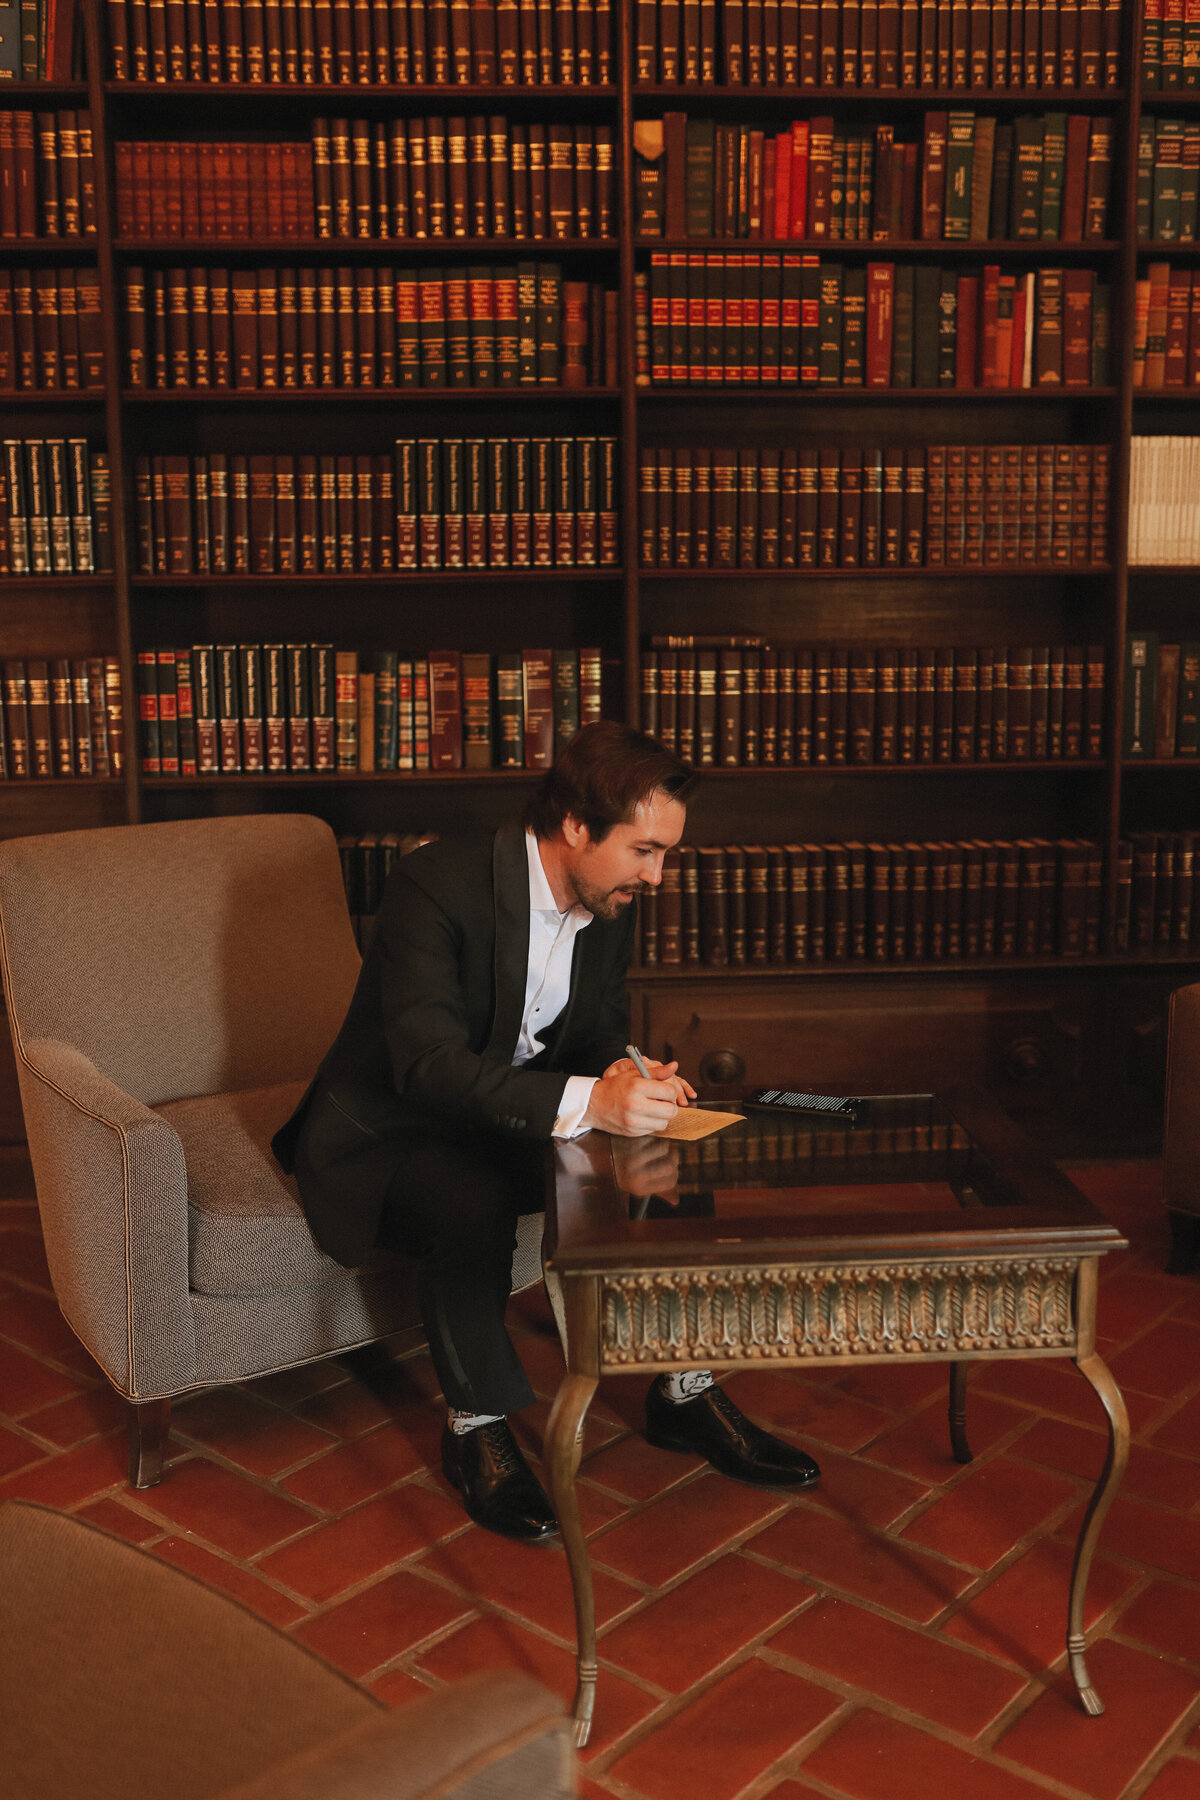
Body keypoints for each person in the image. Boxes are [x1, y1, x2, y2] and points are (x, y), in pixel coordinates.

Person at [273, 720, 819, 1542]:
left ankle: (684, 1391)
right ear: (575, 827)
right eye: (644, 850)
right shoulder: (436, 883)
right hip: (394, 1130)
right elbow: (426, 1065)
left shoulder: (610, 898)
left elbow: (596, 1033)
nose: (658, 874)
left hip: (513, 1112)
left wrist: (632, 1075)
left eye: (665, 853)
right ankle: (476, 1429)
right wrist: (592, 1104)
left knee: (668, 1164)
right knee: (473, 1203)